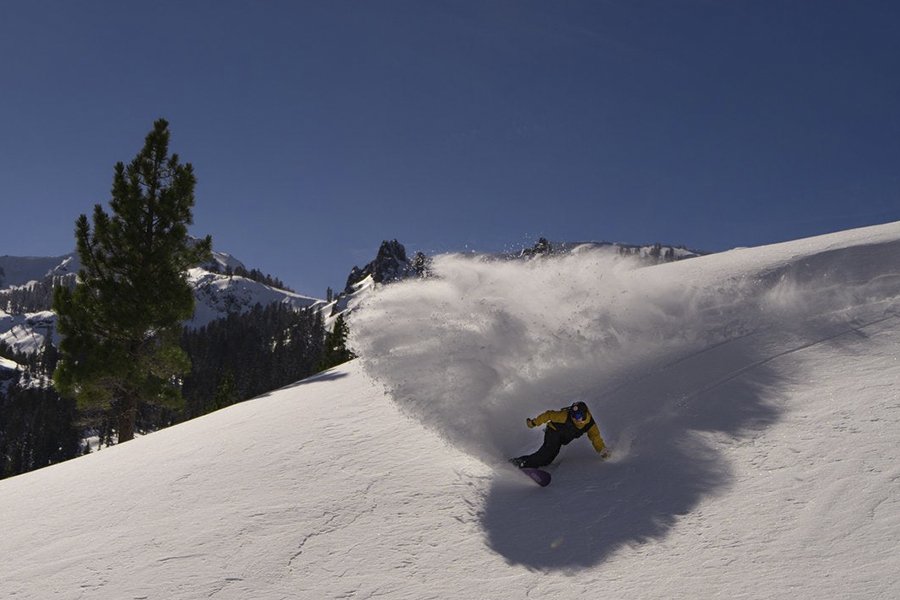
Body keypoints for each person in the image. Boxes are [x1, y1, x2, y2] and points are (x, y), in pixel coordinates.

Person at [510, 401, 609, 468]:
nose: (575, 418)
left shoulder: (590, 424)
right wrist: (533, 423)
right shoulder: (565, 416)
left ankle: (529, 463)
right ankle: (522, 463)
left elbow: (596, 438)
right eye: (573, 415)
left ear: (584, 414)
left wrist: (602, 450)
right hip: (553, 432)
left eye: (578, 416)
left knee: (549, 459)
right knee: (547, 453)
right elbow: (548, 415)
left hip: (562, 438)